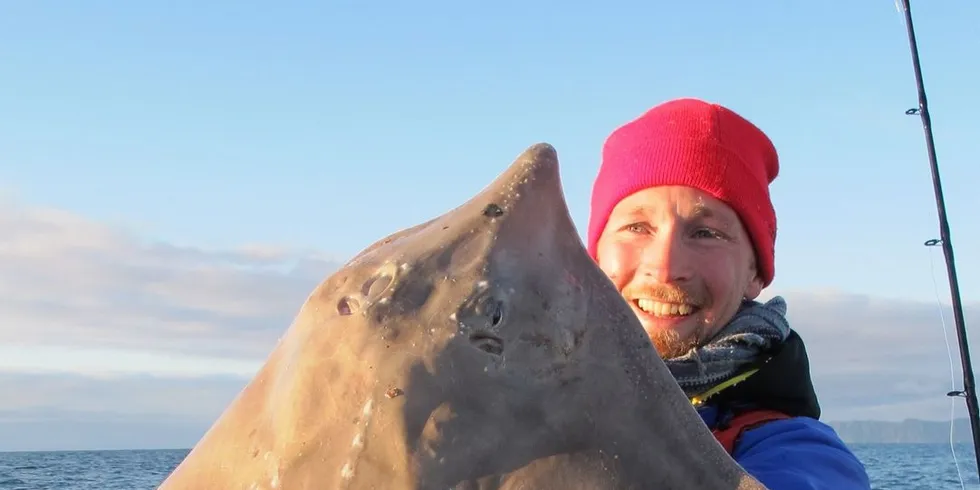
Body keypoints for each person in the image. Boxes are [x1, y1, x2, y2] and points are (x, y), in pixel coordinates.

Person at [586, 97, 871, 489]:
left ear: (754, 273)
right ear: (594, 255)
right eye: (637, 227)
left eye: (706, 233)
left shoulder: (796, 453)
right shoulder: (518, 391)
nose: (666, 267)